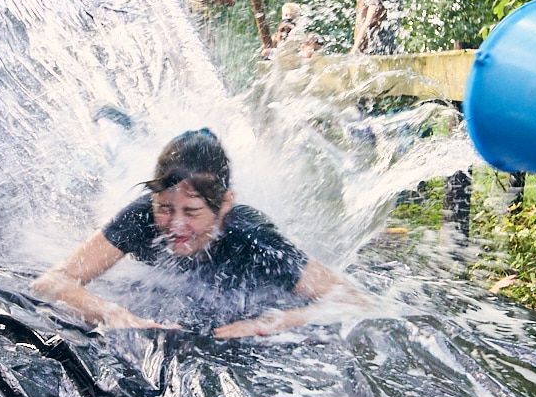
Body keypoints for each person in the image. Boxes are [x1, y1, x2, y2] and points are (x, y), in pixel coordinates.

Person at [32, 129, 361, 339]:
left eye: (191, 212)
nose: (175, 226)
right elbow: (51, 282)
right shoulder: (142, 215)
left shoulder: (252, 239)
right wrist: (113, 314)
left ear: (224, 205)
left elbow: (353, 301)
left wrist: (273, 322)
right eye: (164, 208)